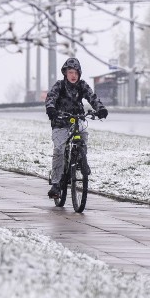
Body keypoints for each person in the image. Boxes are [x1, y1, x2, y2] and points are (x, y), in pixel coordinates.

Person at [44, 58, 108, 198]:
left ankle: (81, 158)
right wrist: (51, 109)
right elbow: (51, 98)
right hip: (61, 121)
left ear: (79, 74)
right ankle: (56, 184)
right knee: (59, 150)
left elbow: (92, 97)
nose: (73, 75)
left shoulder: (82, 86)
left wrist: (100, 109)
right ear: (65, 73)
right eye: (70, 72)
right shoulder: (59, 86)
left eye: (75, 73)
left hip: (77, 118)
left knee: (83, 135)